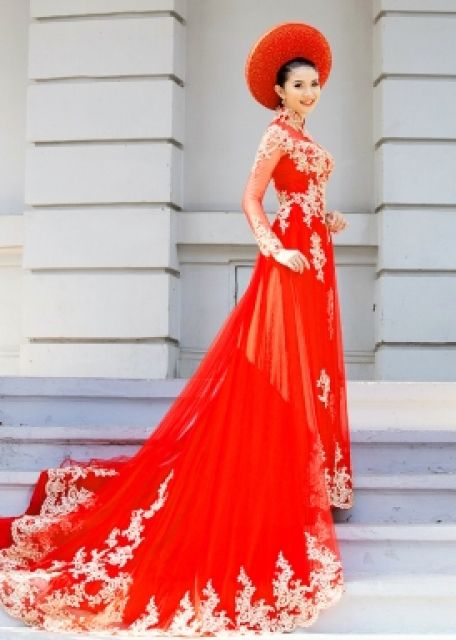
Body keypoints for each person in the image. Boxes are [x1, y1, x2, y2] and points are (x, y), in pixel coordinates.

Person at [0, 21, 353, 635]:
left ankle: (318, 475)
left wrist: (329, 218)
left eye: (315, 83)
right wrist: (273, 246)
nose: (310, 92)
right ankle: (287, 476)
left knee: (317, 370)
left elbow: (309, 195)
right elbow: (251, 198)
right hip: (291, 258)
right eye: (300, 84)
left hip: (317, 257)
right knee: (284, 368)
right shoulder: (274, 135)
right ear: (278, 89)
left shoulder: (305, 137)